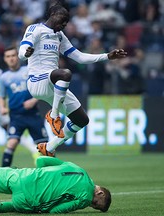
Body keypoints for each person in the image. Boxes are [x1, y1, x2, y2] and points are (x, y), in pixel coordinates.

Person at [18, 4, 127, 156]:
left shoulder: (60, 35)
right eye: (62, 20)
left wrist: (107, 56)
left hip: (54, 85)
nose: (64, 24)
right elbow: (22, 51)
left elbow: (80, 57)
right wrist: (26, 53)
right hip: (37, 81)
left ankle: (49, 147)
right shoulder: (35, 29)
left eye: (67, 21)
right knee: (65, 74)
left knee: (82, 120)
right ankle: (54, 115)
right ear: (53, 14)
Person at [0, 156, 111, 213]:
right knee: (16, 207)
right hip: (31, 199)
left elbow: (40, 161)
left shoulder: (76, 167)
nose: (90, 204)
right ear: (99, 193)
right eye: (95, 203)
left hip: (22, 176)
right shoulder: (84, 197)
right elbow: (56, 211)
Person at [0, 47, 49, 167]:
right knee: (11, 143)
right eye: (8, 56)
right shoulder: (3, 77)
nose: (11, 59)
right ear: (5, 59)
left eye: (13, 56)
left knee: (46, 148)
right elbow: (1, 96)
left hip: (32, 114)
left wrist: (34, 100)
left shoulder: (29, 70)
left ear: (18, 57)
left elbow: (43, 87)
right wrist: (2, 107)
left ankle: (55, 174)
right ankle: (3, 175)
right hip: (16, 116)